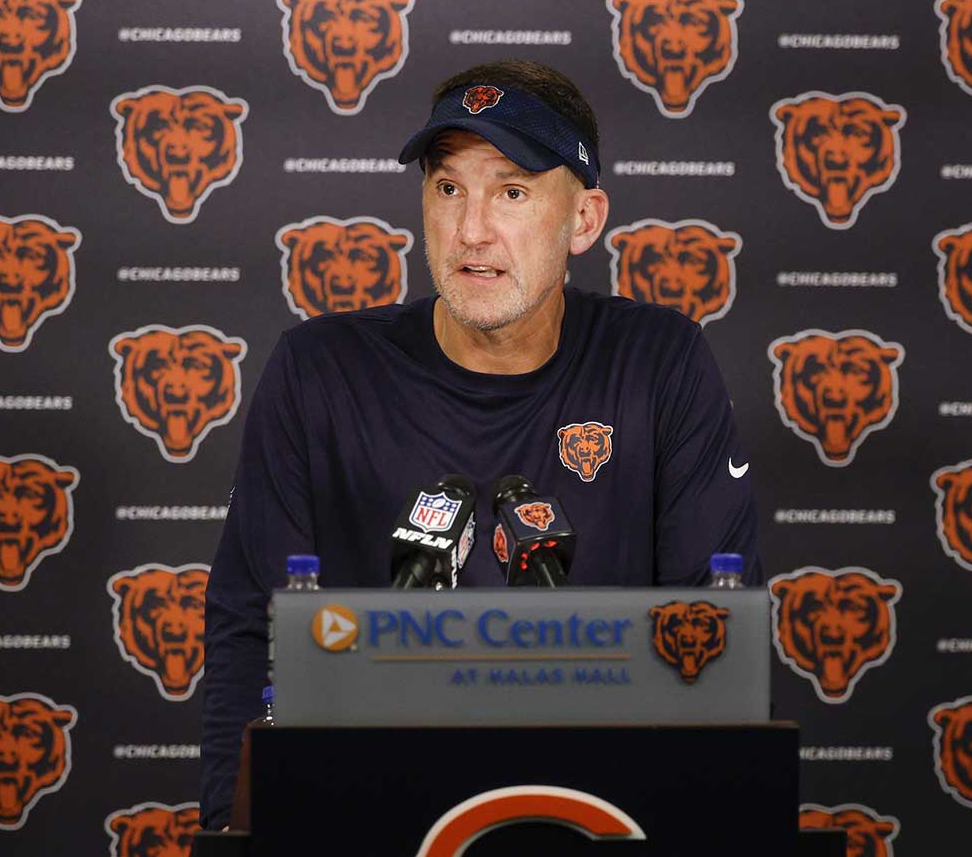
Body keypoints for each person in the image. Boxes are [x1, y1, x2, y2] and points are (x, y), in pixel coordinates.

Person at [199, 59, 758, 829]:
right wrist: (238, 837)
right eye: (448, 187)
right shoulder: (319, 370)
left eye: (513, 191)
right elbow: (247, 629)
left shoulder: (659, 363)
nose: (470, 231)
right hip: (368, 817)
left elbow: (712, 634)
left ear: (585, 220)